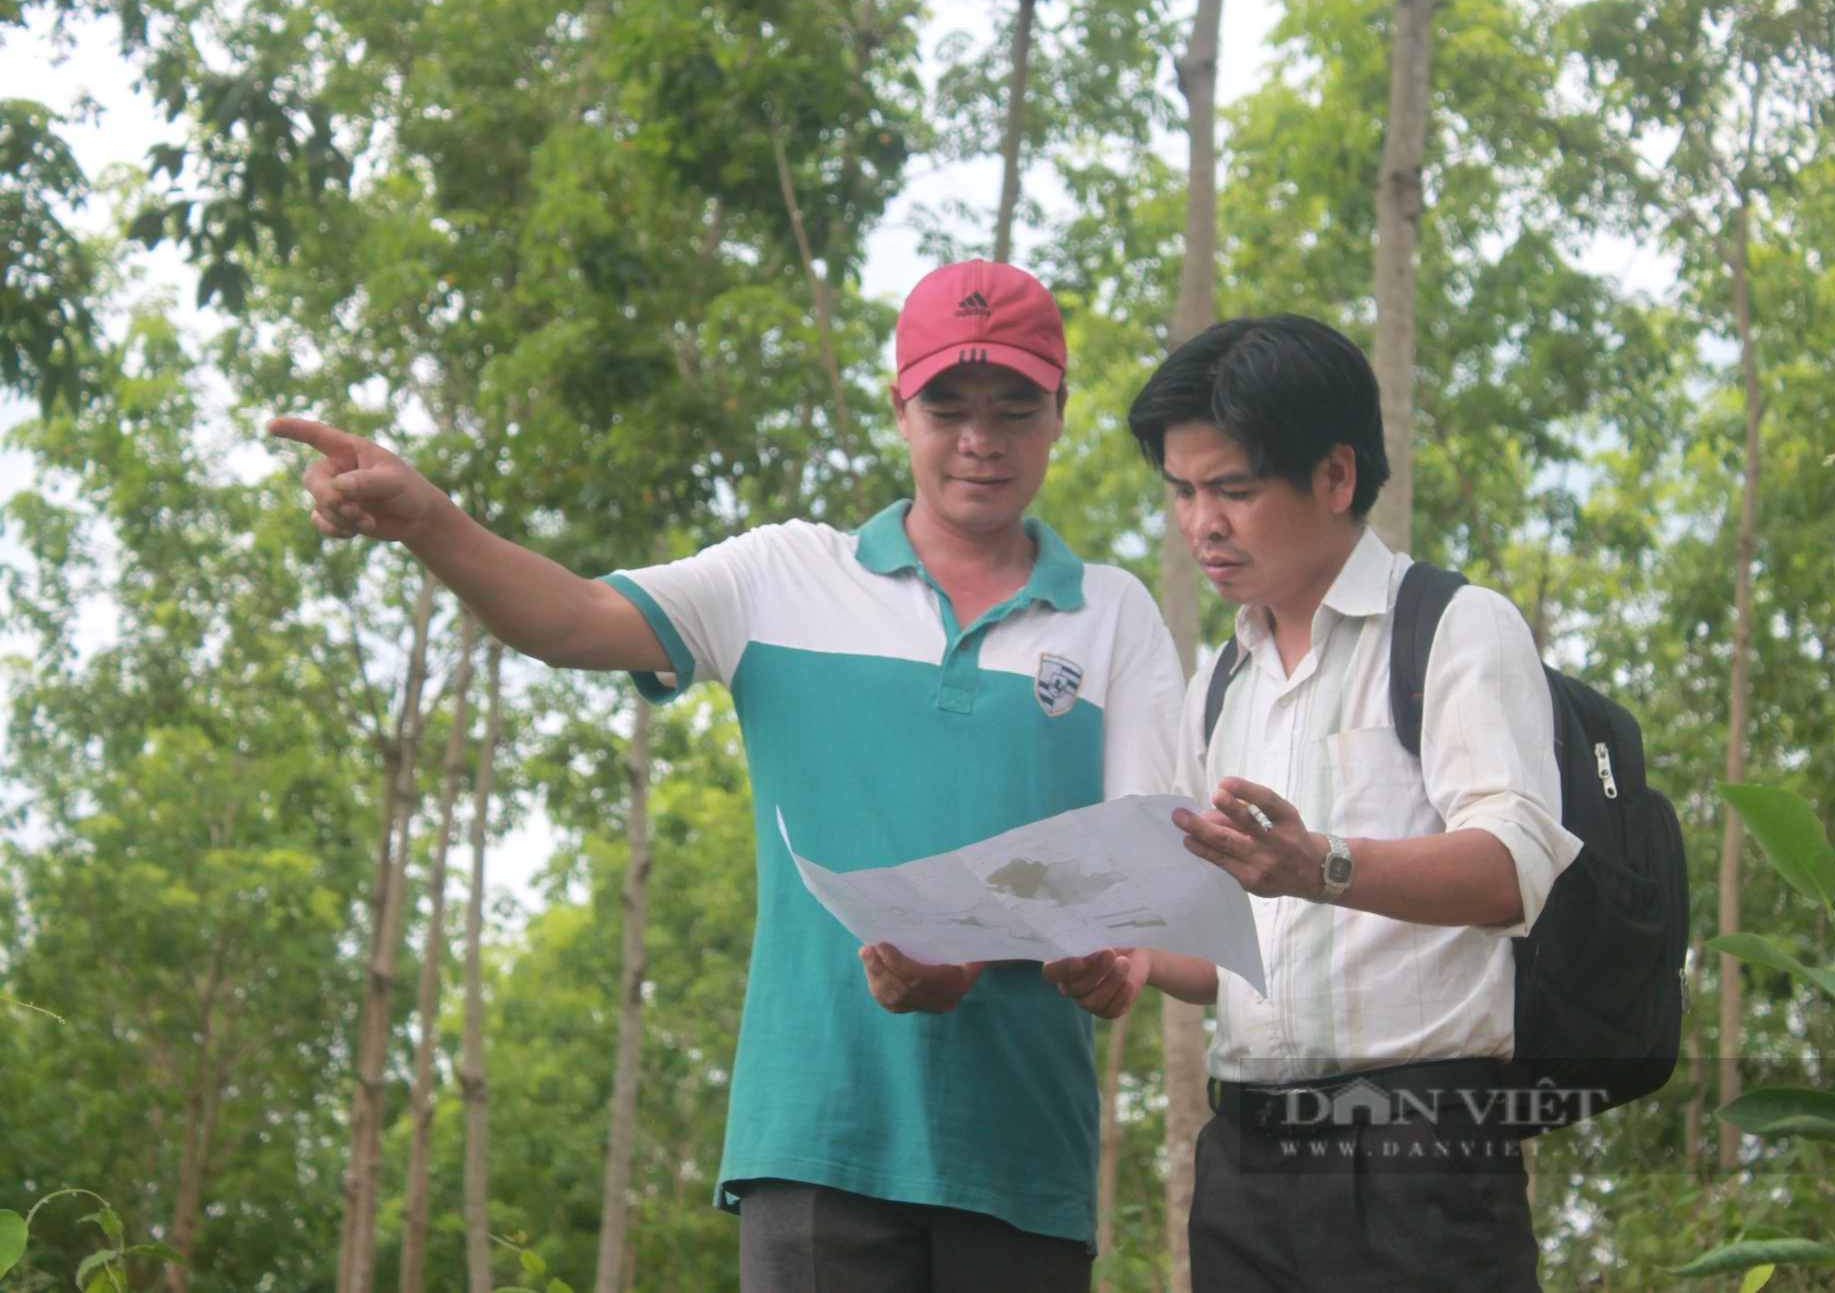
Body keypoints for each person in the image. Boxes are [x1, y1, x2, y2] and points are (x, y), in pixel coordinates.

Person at [269, 260, 1186, 1292]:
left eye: (1015, 408)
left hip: (1021, 1149)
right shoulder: (782, 575)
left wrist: (1115, 963)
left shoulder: (1114, 615)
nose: (981, 438)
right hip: (814, 1136)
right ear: (899, 411)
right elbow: (572, 621)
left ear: (1060, 414)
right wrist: (429, 519)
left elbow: (1141, 879)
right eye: (948, 406)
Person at [1049, 314, 1579, 1290]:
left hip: (1421, 1157)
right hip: (1242, 1161)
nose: (1200, 522)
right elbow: (1228, 963)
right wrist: (1135, 957)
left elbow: (1513, 868)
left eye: (1234, 490)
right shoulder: (1223, 681)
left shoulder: (1452, 630)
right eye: (1181, 490)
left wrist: (1321, 864)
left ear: (1334, 476)